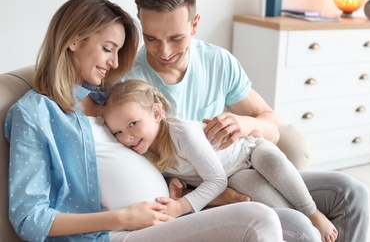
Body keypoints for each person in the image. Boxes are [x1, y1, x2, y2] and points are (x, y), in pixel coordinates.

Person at [4, 0, 285, 242]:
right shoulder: (36, 114)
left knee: (296, 222)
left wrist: (179, 188)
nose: (114, 63)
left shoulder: (108, 98)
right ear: (74, 39)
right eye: (107, 48)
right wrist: (122, 218)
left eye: (117, 51)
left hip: (171, 214)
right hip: (118, 233)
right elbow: (30, 220)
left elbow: (158, 146)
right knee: (259, 218)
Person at [121, 0, 370, 241]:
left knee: (351, 194)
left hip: (241, 164)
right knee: (300, 228)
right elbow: (132, 163)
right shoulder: (129, 85)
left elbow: (270, 125)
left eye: (176, 38)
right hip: (202, 189)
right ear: (141, 24)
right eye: (151, 38)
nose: (165, 51)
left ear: (194, 25)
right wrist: (208, 195)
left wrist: (247, 125)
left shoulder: (217, 62)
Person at [102, 79, 338, 241]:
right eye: (117, 132)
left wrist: (180, 207)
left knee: (272, 163)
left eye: (133, 124)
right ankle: (306, 228)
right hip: (234, 175)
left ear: (155, 113)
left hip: (247, 150)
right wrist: (178, 183)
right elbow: (186, 171)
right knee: (279, 212)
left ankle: (313, 213)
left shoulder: (181, 132)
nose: (127, 137)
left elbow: (214, 181)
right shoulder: (142, 150)